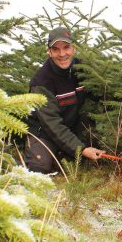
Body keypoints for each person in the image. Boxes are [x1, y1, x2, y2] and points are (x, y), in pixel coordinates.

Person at [23, 27, 104, 173]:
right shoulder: (42, 81)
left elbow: (102, 95)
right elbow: (52, 124)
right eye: (56, 49)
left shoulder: (83, 68)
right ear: (49, 51)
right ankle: (47, 154)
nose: (62, 54)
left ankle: (65, 153)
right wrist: (82, 149)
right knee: (39, 167)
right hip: (45, 131)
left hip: (71, 125)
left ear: (73, 48)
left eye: (66, 47)